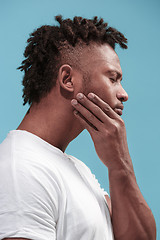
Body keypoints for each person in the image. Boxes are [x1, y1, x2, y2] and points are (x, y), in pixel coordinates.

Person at [0, 15, 156, 240]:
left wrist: (120, 165)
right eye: (113, 78)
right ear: (67, 79)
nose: (124, 94)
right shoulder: (22, 169)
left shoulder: (75, 168)